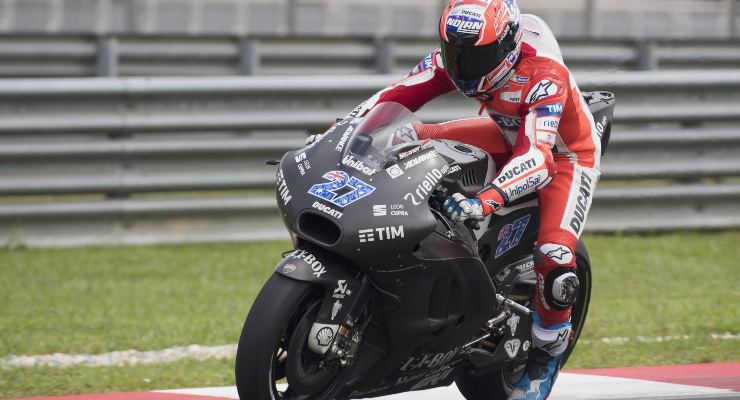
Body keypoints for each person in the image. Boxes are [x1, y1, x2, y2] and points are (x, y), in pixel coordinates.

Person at [314, 0, 601, 398]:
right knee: (408, 135)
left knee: (554, 253)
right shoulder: (454, 61)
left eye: (477, 55)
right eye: (455, 53)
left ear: (507, 46)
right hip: (505, 130)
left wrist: (485, 200)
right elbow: (394, 96)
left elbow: (538, 157)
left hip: (564, 155)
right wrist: (339, 134)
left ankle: (544, 355)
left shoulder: (544, 78)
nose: (463, 66)